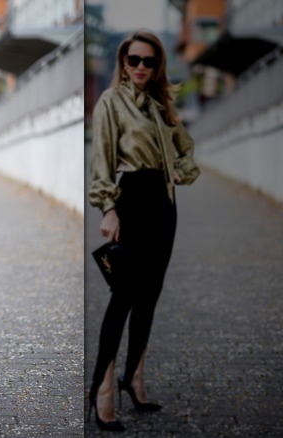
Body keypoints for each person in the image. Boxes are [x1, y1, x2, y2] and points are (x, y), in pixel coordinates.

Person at [87, 30, 200, 432]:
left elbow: (186, 150)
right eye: (133, 59)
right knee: (122, 297)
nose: (140, 67)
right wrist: (109, 208)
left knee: (149, 296)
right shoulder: (110, 102)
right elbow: (102, 160)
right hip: (131, 198)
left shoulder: (161, 105)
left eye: (148, 61)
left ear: (157, 66)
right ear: (123, 62)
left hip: (164, 204)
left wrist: (180, 172)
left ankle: (134, 378)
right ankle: (102, 389)